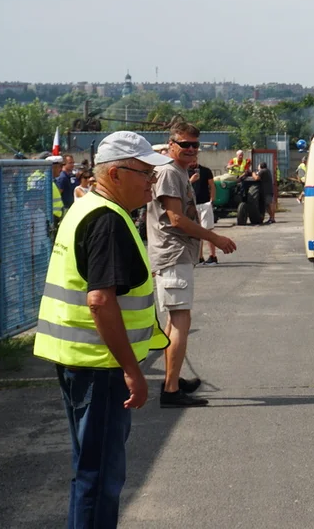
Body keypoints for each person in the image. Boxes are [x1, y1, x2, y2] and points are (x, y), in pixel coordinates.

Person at [32, 131, 172, 528]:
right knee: (101, 476)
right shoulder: (108, 221)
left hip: (80, 360)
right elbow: (100, 300)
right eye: (145, 173)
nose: (152, 182)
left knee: (88, 469)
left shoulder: (87, 207)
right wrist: (131, 369)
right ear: (114, 173)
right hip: (101, 365)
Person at [148, 122, 237, 408]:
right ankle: (171, 390)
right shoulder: (169, 173)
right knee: (180, 322)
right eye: (184, 144)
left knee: (176, 322)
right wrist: (215, 238)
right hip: (172, 255)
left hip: (176, 255)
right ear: (171, 144)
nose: (190, 150)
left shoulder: (178, 172)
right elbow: (176, 219)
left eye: (194, 145)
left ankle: (171, 380)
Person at [190, 161, 217, 264]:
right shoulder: (184, 171)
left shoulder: (205, 171)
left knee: (208, 230)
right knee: (197, 231)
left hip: (205, 203)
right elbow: (183, 186)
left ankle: (213, 256)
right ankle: (199, 257)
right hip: (193, 204)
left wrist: (212, 200)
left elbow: (212, 185)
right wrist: (191, 180)